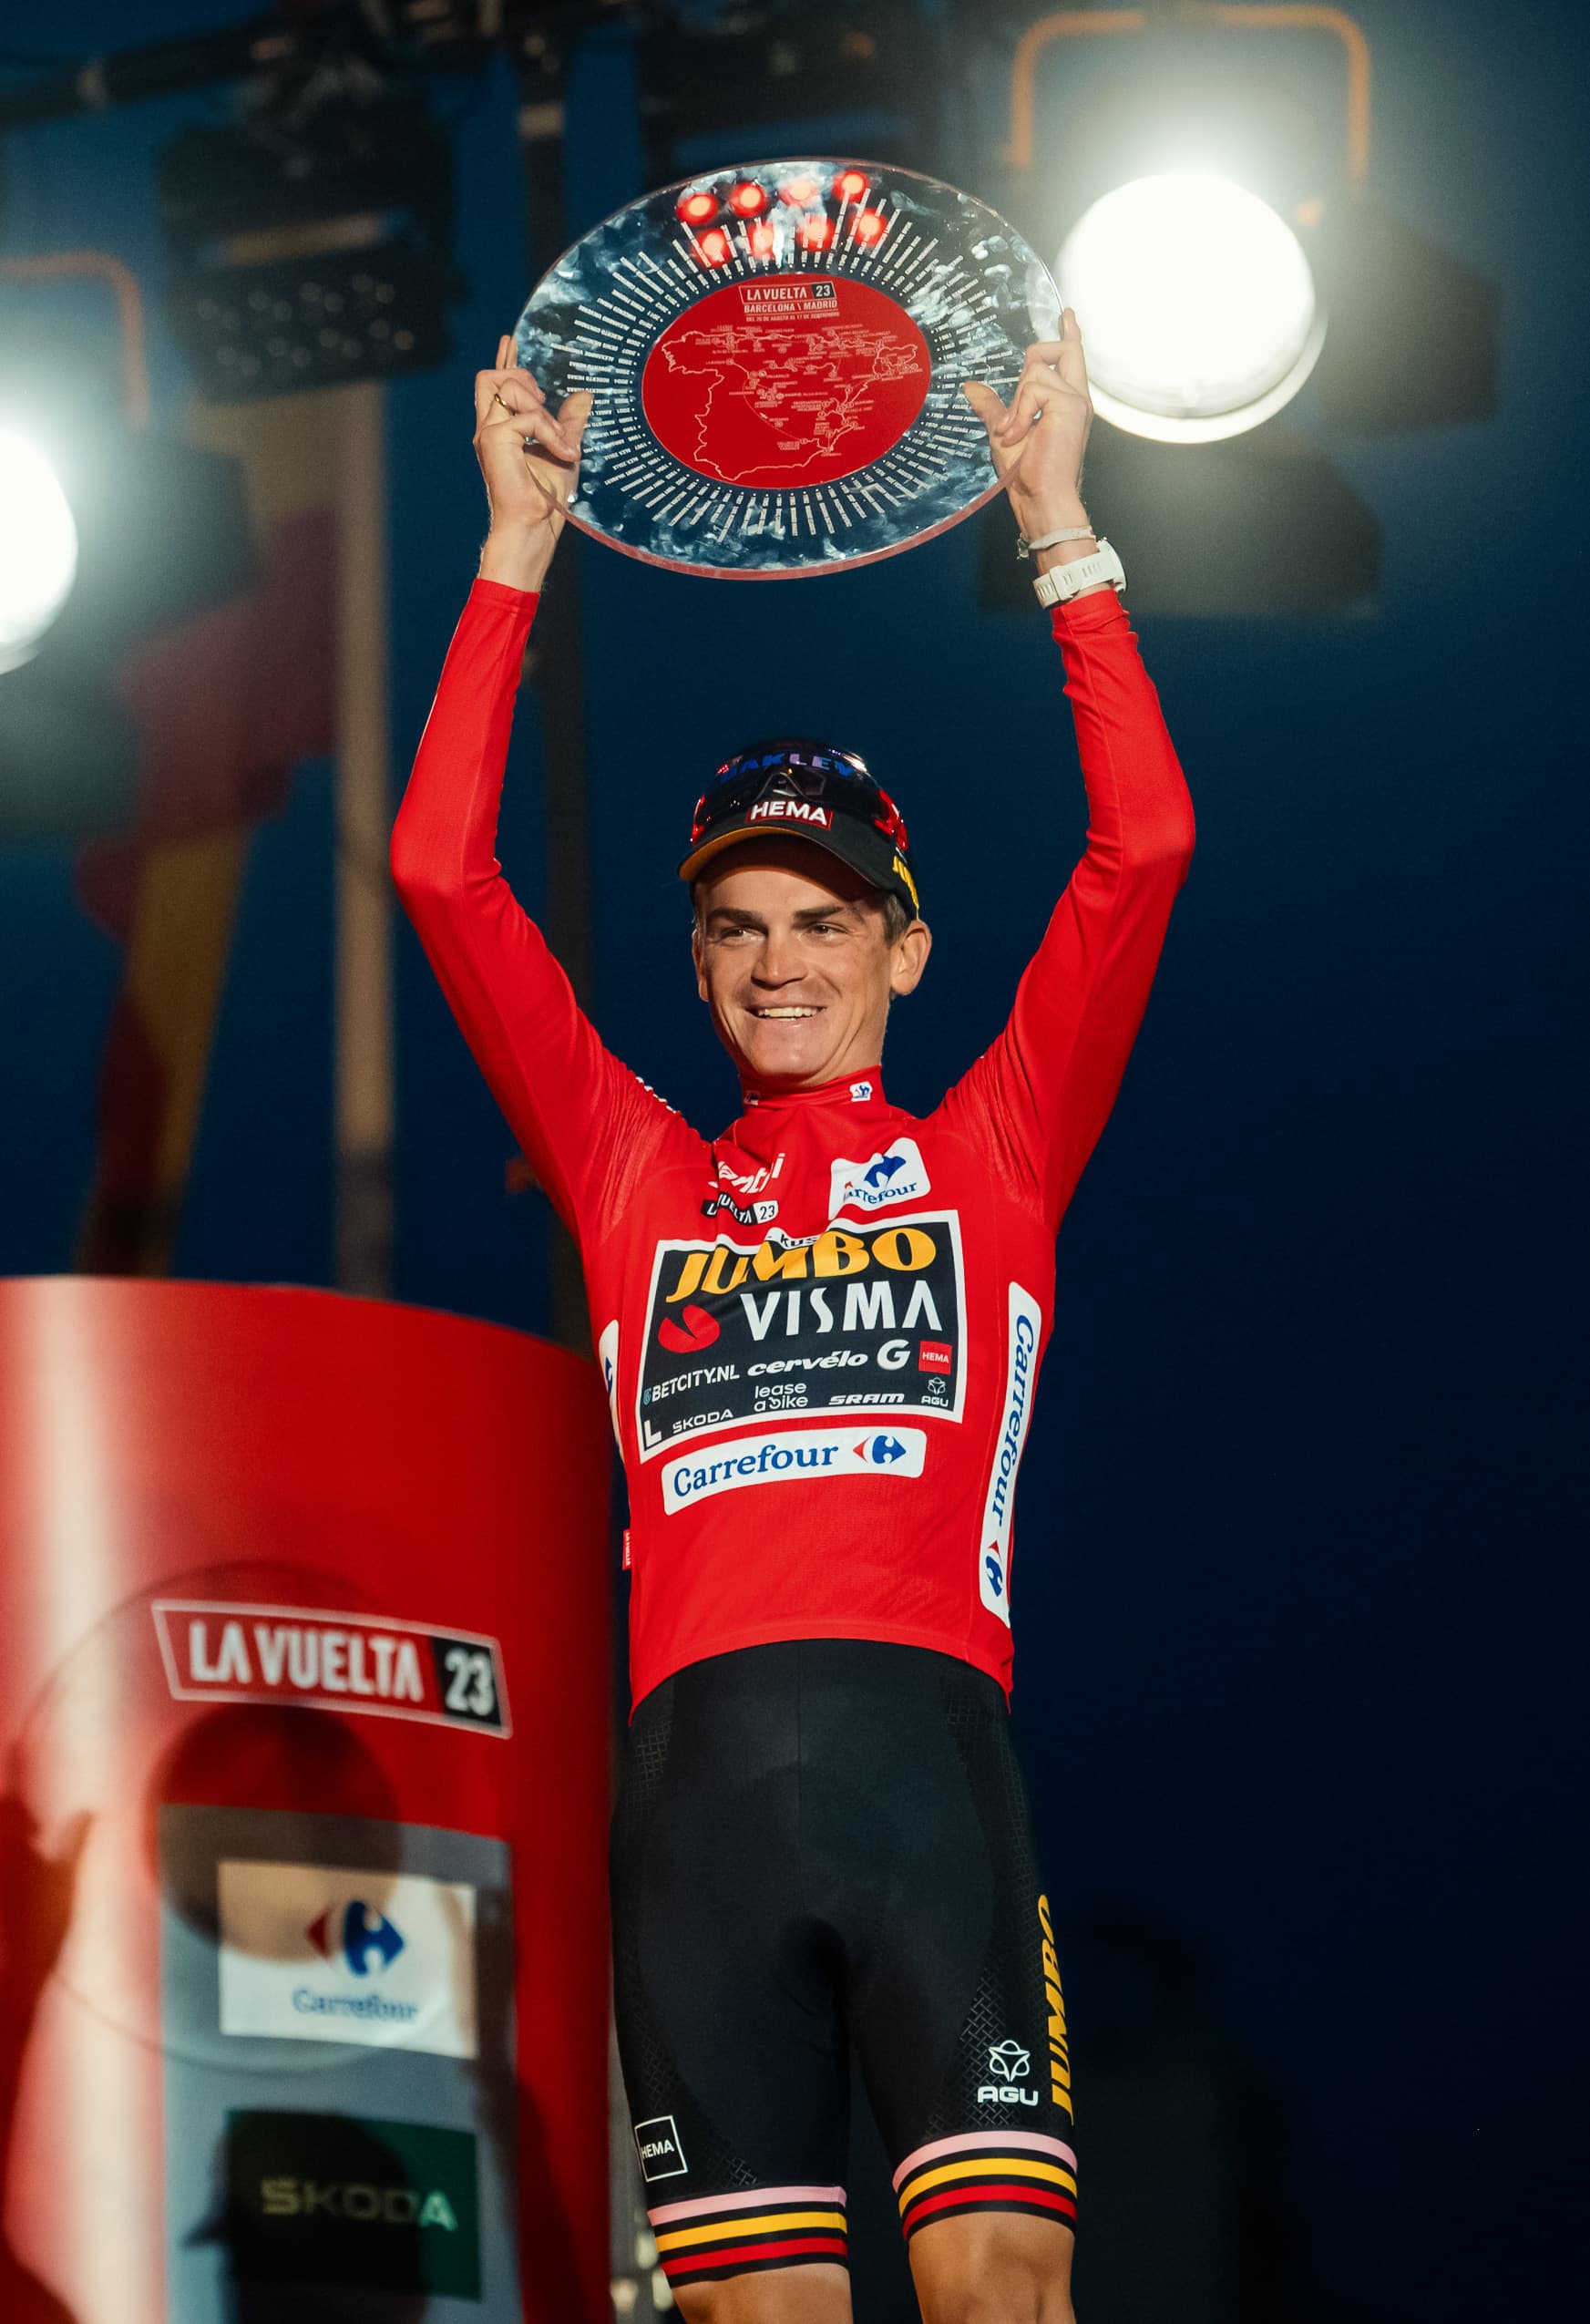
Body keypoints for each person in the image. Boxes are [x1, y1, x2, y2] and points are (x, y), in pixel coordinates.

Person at [392, 314, 1194, 2324]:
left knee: (1005, 2293)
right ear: (695, 962)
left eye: (824, 920)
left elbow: (1145, 848)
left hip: (932, 1771)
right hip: (695, 1811)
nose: (778, 962)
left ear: (905, 948)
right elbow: (438, 871)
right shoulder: (633, 1165)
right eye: (737, 927)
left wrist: (1065, 538)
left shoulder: (994, 1147)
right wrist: (513, 554)